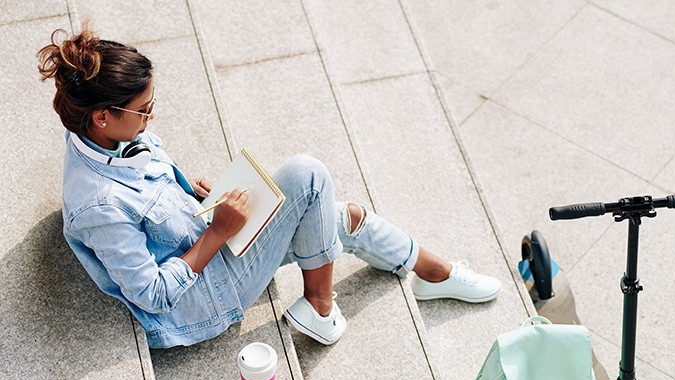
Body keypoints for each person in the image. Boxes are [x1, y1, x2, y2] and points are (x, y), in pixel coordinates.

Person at [37, 25, 502, 349]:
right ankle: (321, 305)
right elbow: (153, 295)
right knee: (310, 177)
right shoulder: (96, 204)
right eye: (144, 110)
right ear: (104, 116)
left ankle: (431, 271)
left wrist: (187, 187)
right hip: (203, 297)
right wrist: (218, 231)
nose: (150, 117)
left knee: (343, 216)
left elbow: (147, 176)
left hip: (204, 234)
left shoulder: (99, 135)